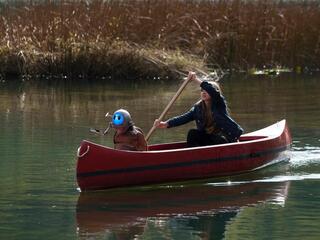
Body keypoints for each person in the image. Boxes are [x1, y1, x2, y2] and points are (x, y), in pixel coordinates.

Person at [153, 72, 243, 147]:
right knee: (192, 133)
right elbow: (184, 118)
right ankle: (194, 155)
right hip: (209, 139)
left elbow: (211, 90)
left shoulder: (219, 103)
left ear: (214, 93)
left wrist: (195, 79)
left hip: (224, 139)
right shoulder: (198, 108)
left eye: (206, 90)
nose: (203, 92)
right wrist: (166, 124)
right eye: (202, 90)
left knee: (218, 139)